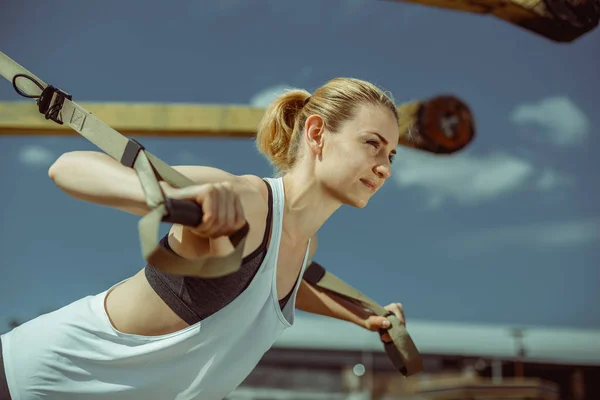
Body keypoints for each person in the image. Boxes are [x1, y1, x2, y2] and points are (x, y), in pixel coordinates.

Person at [0, 77, 407, 400]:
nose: (384, 167)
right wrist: (174, 199)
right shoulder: (245, 197)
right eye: (372, 144)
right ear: (317, 134)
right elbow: (67, 167)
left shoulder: (304, 245)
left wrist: (359, 314)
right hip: (23, 379)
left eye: (391, 155)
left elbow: (271, 284)